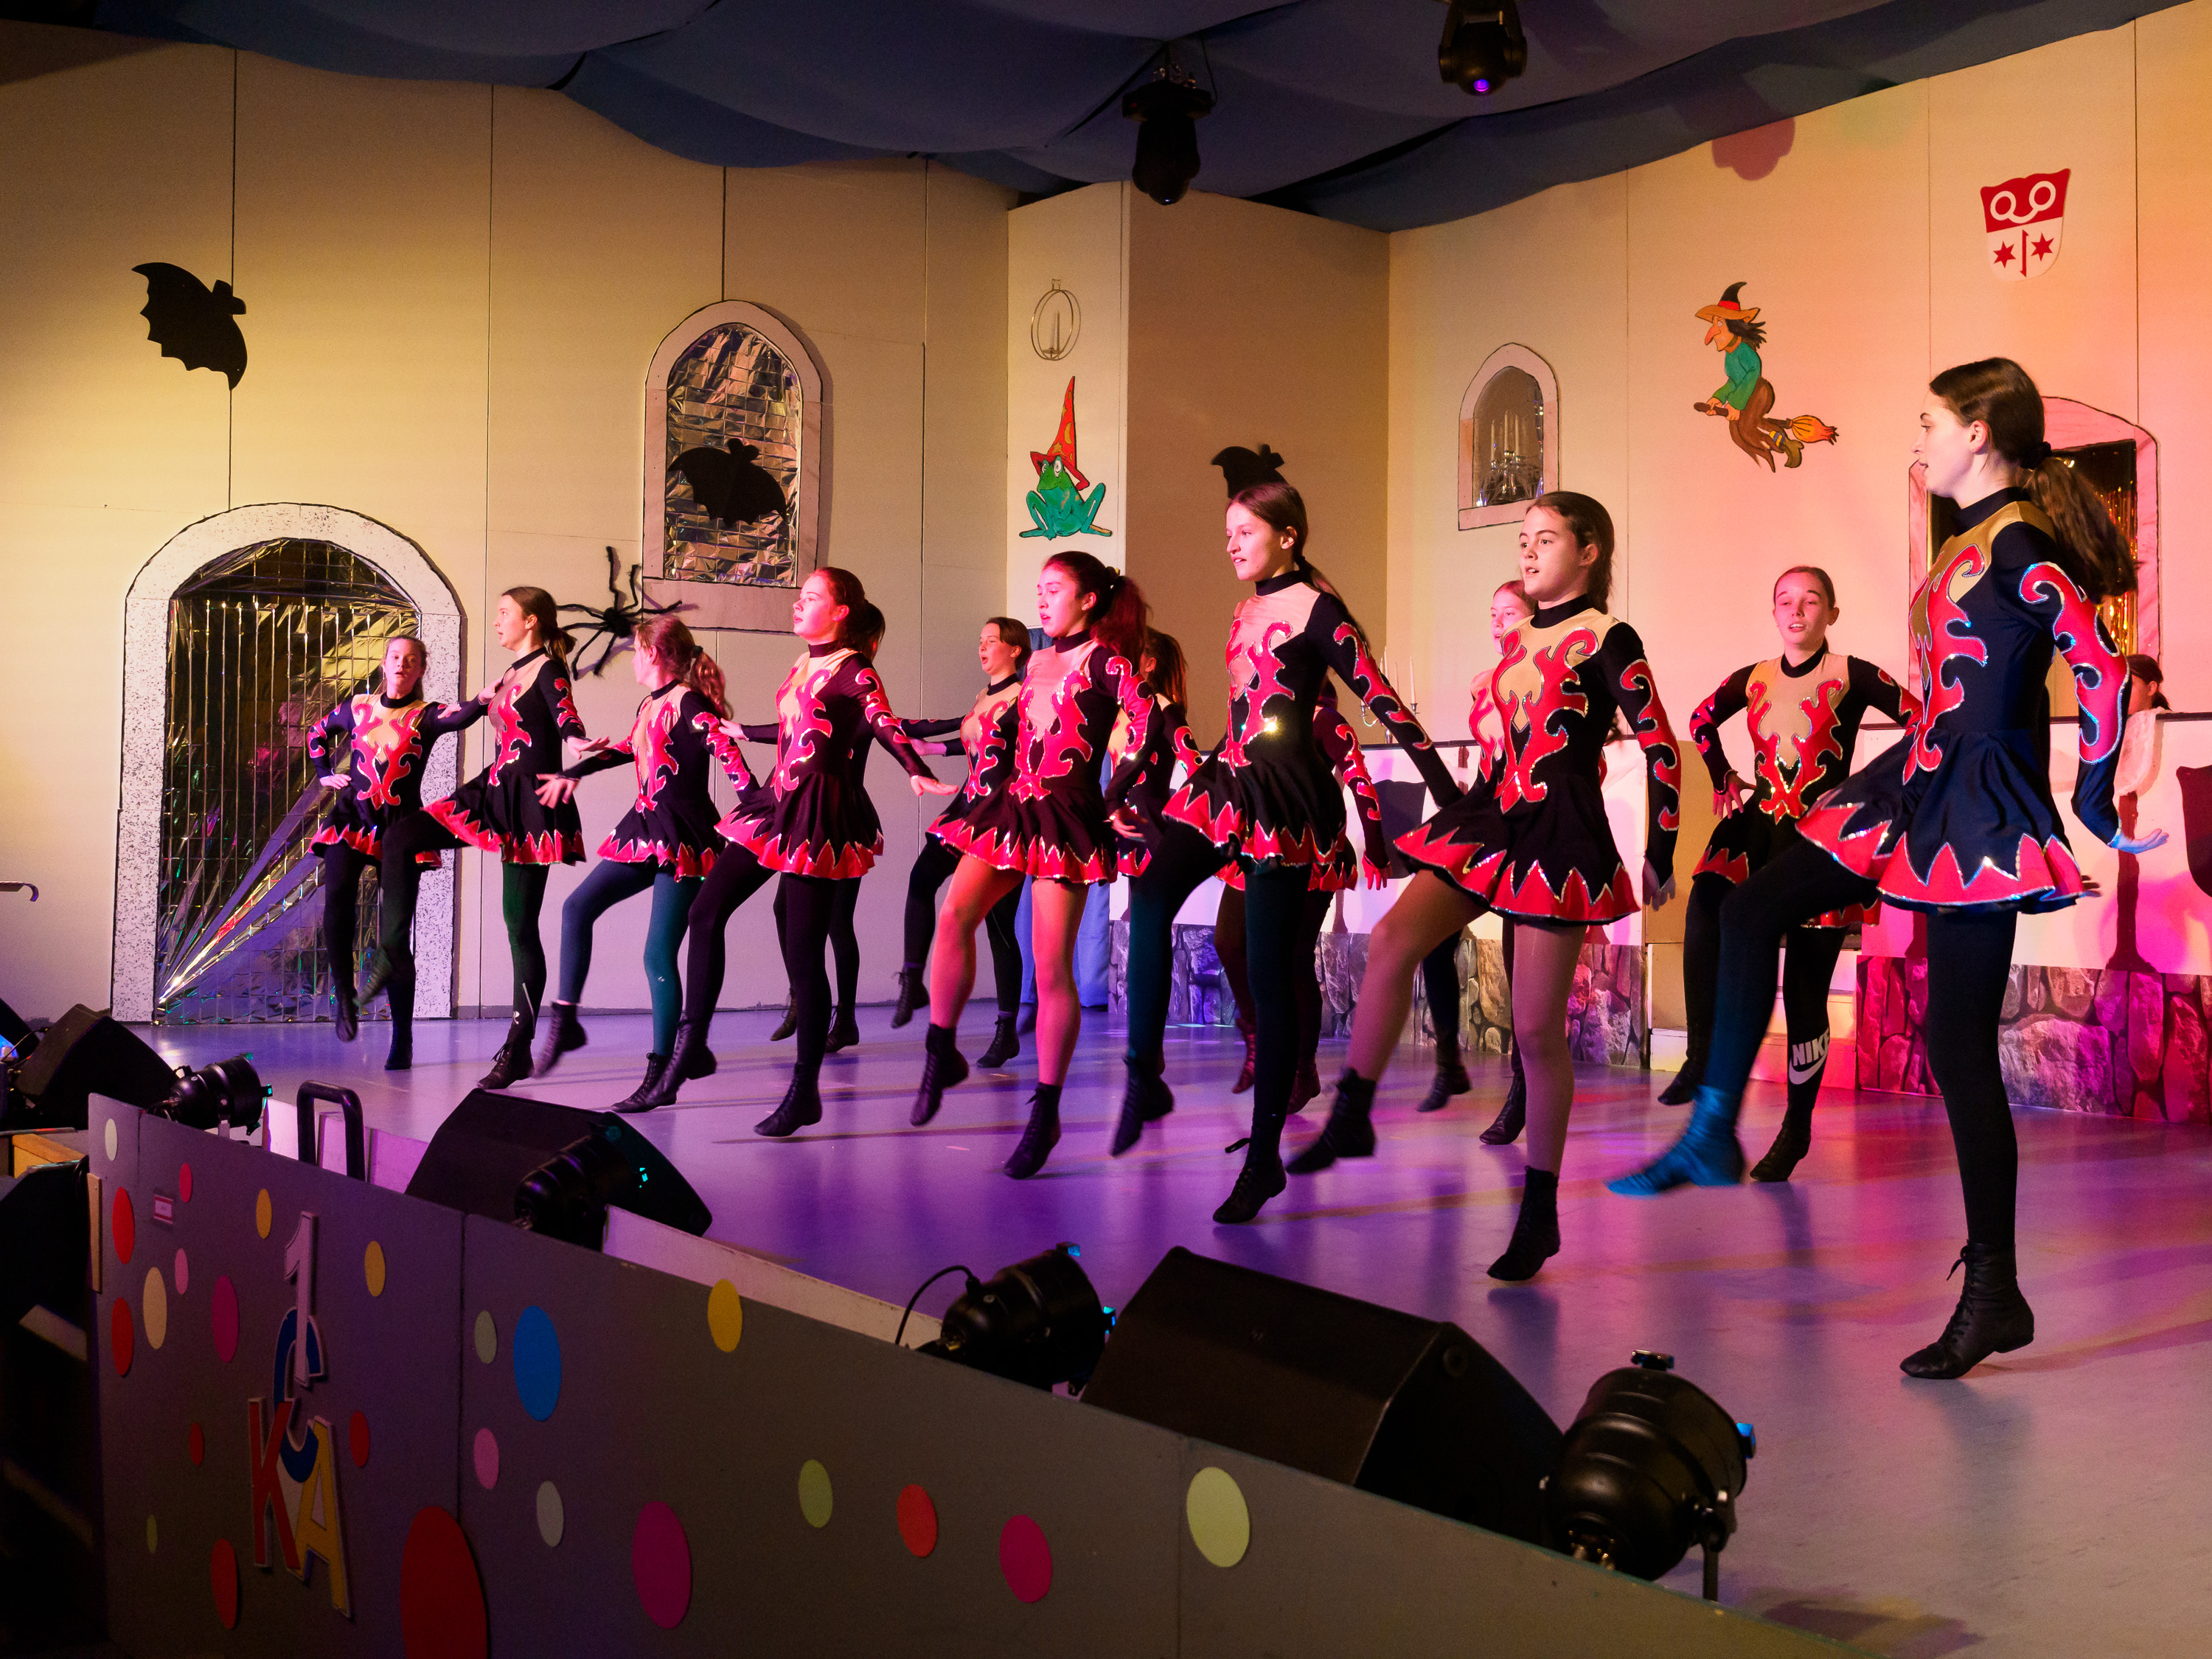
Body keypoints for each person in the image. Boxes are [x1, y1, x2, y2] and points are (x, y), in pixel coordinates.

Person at [1610, 358, 2164, 1380]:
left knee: (1956, 1048)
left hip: (1979, 808)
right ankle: (1717, 1125)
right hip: (1920, 777)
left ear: (1979, 433)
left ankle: (1993, 1290)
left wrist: (2093, 795)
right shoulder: (1970, 539)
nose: (1920, 439)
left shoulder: (2021, 543)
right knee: (1751, 906)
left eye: (1930, 421)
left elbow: (2097, 665)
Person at [1302, 493, 1681, 1281]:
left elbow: (1661, 745)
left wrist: (1662, 848)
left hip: (1559, 832)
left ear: (1589, 552)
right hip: (1494, 815)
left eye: (1547, 539)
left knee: (1536, 1031)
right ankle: (1352, 1111)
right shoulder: (1517, 639)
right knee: (1394, 939)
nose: (1529, 551)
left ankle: (1539, 1212)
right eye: (1523, 540)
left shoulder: (1609, 636)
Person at [1113, 482, 1459, 1222]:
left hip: (1287, 804)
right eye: (1228, 532)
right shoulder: (1246, 608)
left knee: (1272, 980)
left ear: (1288, 535)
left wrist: (1442, 788)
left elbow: (1382, 698)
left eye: (1245, 531)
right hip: (1233, 780)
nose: (1231, 544)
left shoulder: (1317, 610)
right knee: (1152, 885)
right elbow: (1247, 708)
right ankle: (1145, 1069)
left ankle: (1265, 1155)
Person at [642, 573, 950, 1124]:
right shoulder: (804, 663)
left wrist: (914, 768)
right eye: (799, 596)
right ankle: (692, 1042)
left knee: (804, 954)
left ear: (840, 611)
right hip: (777, 800)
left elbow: (882, 721)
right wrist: (742, 731)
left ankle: (805, 1089)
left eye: (810, 598)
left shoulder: (855, 668)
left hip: (818, 816)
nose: (797, 604)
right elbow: (797, 728)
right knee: (706, 911)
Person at [1658, 568, 1919, 1179]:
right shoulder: (1754, 678)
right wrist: (1722, 776)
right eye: (1785, 601)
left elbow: (1923, 721)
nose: (1797, 611)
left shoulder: (1853, 674)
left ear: (1832, 612)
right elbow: (1700, 720)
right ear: (1773, 612)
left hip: (1822, 838)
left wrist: (1869, 790)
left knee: (1804, 994)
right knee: (1706, 902)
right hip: (1760, 826)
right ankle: (1700, 1053)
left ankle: (1796, 1127)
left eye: (1810, 601)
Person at [913, 552, 1159, 1178]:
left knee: (1051, 969)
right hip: (1012, 807)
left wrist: (1116, 794)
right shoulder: (1038, 661)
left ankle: (1045, 1110)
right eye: (1039, 589)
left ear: (1088, 600)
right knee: (954, 914)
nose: (1042, 599)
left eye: (1054, 589)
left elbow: (1149, 719)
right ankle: (941, 1049)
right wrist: (964, 780)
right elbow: (1007, 735)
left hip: (1065, 819)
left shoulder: (1106, 661)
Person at [364, 588, 588, 1081]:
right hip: (493, 788)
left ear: (531, 621)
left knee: (519, 926)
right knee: (401, 837)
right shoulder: (510, 673)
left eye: (505, 613)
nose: (497, 621)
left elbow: (565, 716)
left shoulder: (548, 669)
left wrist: (577, 742)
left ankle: (518, 1046)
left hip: (530, 803)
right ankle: (391, 953)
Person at [529, 618, 754, 1106]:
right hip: (647, 829)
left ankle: (663, 1069)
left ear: (653, 652)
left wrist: (755, 804)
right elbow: (631, 748)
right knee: (577, 908)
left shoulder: (689, 703)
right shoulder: (650, 703)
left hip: (684, 839)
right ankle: (566, 1020)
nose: (631, 659)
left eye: (635, 650)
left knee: (657, 955)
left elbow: (726, 751)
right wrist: (575, 772)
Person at [1211, 683, 1388, 1111]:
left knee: (1293, 958)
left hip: (1313, 852)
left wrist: (1377, 849)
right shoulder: (1255, 712)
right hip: (1259, 846)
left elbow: (1359, 779)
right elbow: (1217, 767)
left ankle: (1303, 1068)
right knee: (1228, 942)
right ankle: (1257, 1034)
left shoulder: (1324, 718)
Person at [306, 634, 482, 1051]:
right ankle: (344, 997)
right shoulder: (358, 707)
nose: (402, 664)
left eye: (411, 659)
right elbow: (317, 733)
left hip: (400, 828)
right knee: (338, 896)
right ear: (385, 664)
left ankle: (402, 1035)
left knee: (394, 936)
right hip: (351, 818)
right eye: (396, 657)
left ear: (420, 670)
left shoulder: (427, 715)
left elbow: (463, 716)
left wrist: (486, 697)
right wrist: (324, 773)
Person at [886, 618, 1031, 1070]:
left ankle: (1006, 1029)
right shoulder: (984, 695)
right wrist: (933, 750)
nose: (983, 648)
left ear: (1015, 650)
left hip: (1002, 816)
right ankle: (912, 978)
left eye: (992, 641)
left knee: (999, 925)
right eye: (981, 641)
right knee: (921, 877)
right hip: (968, 807)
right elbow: (973, 736)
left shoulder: (1024, 697)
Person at [1439, 579, 1536, 1138]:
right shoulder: (1485, 683)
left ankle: (1524, 1090)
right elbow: (1491, 761)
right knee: (1431, 932)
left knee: (1525, 972)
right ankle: (1448, 1060)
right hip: (1494, 821)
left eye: (1510, 612)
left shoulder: (1550, 675)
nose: (1499, 623)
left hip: (1536, 828)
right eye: (1493, 614)